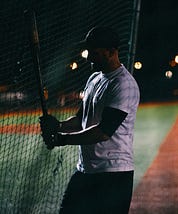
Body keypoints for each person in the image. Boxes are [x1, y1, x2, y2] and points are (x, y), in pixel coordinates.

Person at [40, 26, 140, 214]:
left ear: (111, 52)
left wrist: (63, 139)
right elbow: (81, 119)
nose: (88, 57)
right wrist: (58, 126)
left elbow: (103, 132)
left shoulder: (123, 84)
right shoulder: (94, 79)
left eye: (94, 52)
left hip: (113, 175)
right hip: (86, 170)